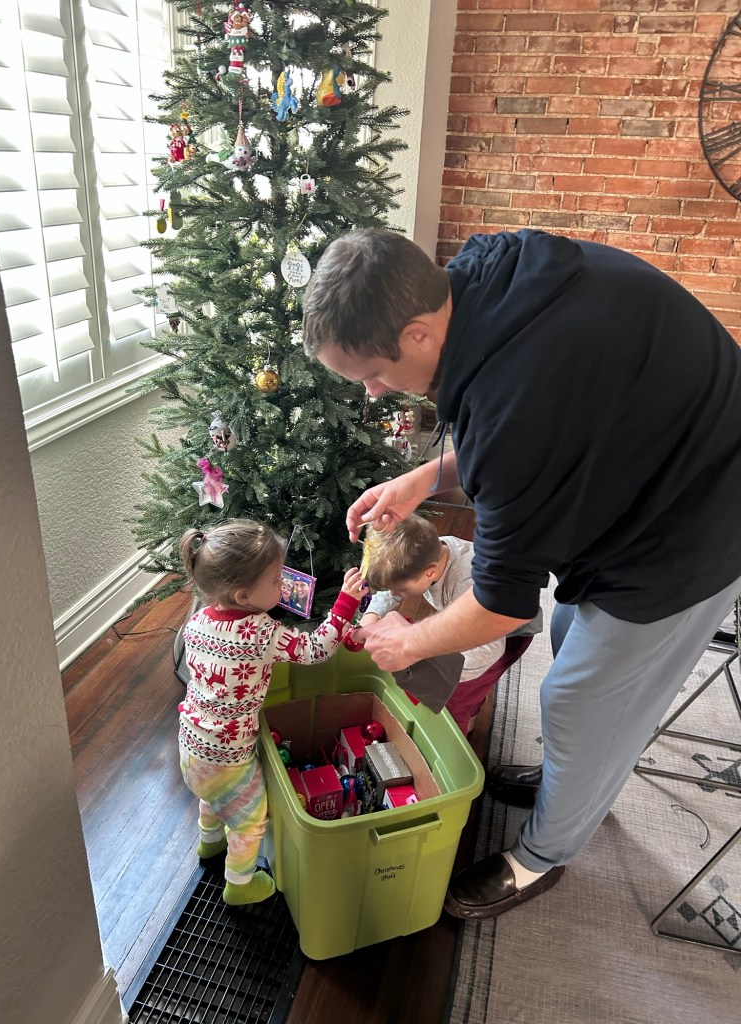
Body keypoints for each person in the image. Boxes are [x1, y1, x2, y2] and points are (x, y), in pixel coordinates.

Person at [302, 226, 741, 920]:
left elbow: (503, 606)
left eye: (373, 375)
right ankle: (576, 777)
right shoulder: (483, 271)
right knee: (572, 638)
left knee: (579, 699)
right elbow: (542, 434)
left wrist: (408, 642)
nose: (377, 392)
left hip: (698, 519)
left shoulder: (516, 403)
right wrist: (424, 478)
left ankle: (542, 857)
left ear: (418, 333)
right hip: (650, 457)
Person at [178, 519, 364, 906]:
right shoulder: (262, 633)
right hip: (230, 757)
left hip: (190, 746)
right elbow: (315, 649)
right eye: (277, 580)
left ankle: (209, 845)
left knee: (213, 799)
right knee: (248, 820)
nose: (284, 585)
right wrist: (344, 604)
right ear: (244, 595)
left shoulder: (196, 621)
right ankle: (240, 885)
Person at [359, 514, 542, 735]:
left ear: (430, 572)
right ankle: (474, 703)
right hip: (475, 624)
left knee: (456, 696)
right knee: (471, 688)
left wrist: (435, 665)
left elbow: (488, 650)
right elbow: (393, 584)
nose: (395, 594)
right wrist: (371, 616)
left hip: (507, 636)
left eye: (402, 589)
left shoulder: (465, 580)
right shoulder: (425, 553)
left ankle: (459, 734)